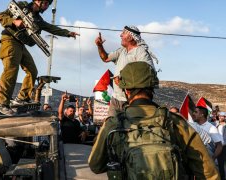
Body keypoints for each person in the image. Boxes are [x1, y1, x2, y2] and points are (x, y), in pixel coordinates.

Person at [88, 61, 219, 179]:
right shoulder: (175, 122)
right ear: (152, 88)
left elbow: (95, 165)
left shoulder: (113, 124)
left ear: (126, 91)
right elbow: (208, 172)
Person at [0, 0, 80, 115]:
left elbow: (51, 28)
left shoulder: (38, 19)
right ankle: (1, 103)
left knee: (32, 71)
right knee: (11, 71)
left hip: (20, 44)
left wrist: (68, 33)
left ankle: (21, 98)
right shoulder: (22, 6)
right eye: (45, 4)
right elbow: (0, 16)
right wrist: (14, 21)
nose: (46, 7)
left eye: (48, 5)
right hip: (9, 40)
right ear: (38, 1)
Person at [95, 26, 157, 117]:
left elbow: (147, 74)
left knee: (129, 128)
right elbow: (105, 58)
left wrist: (123, 81)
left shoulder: (141, 52)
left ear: (131, 37)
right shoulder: (122, 51)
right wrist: (99, 46)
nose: (120, 35)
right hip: (116, 98)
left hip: (132, 101)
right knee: (111, 126)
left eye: (123, 33)